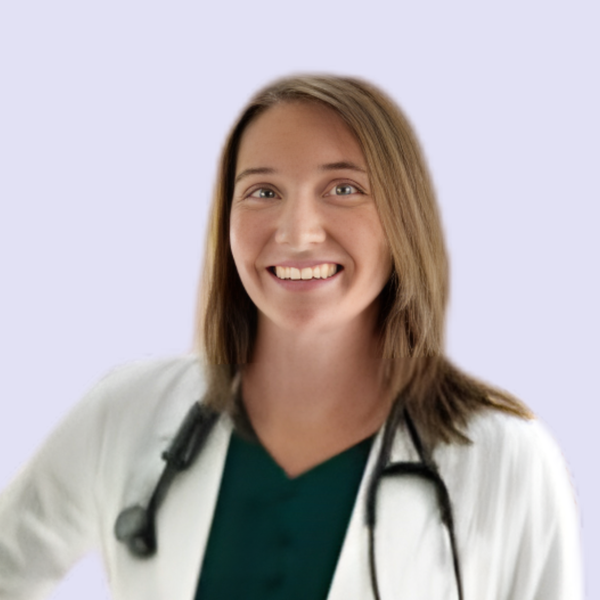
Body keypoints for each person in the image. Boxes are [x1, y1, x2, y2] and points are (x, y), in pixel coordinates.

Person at [0, 75, 583, 600]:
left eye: (344, 189)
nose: (298, 233)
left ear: (403, 218)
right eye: (263, 192)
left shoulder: (508, 460)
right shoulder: (128, 409)